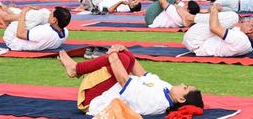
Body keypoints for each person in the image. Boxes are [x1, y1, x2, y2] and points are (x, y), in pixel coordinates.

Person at [58, 45, 203, 116]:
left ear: (181, 99)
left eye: (185, 88)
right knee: (124, 56)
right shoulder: (167, 88)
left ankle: (76, 69)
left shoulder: (156, 101)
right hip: (108, 88)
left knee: (119, 58)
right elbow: (141, 72)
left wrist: (113, 55)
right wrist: (124, 49)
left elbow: (123, 80)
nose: (183, 84)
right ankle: (77, 69)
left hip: (92, 100)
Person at [181, 4, 253, 57]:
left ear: (250, 30)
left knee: (233, 16)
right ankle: (191, 18)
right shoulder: (247, 40)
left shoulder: (240, 39)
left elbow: (214, 28)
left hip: (196, 42)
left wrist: (214, 11)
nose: (246, 21)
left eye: (249, 21)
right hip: (200, 41)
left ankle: (189, 18)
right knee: (228, 18)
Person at [3, 6, 71, 51]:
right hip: (40, 37)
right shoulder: (65, 31)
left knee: (34, 15)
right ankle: (11, 13)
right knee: (43, 12)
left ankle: (7, 17)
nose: (49, 14)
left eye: (51, 14)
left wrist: (23, 12)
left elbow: (20, 34)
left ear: (54, 20)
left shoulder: (44, 32)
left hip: (12, 39)